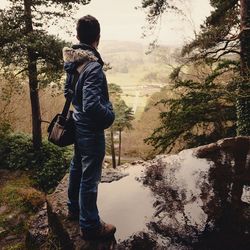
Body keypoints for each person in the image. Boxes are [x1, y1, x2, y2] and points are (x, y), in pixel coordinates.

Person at [62, 15, 116, 240]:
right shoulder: (92, 66)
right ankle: (90, 226)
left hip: (77, 123)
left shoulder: (73, 62)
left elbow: (68, 92)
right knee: (90, 176)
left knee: (77, 166)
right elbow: (93, 105)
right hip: (90, 129)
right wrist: (109, 116)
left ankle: (73, 209)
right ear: (98, 38)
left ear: (78, 36)